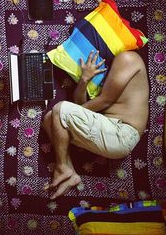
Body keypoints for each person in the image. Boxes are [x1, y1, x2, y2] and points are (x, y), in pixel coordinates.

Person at [42, 50, 149, 200]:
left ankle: (61, 167)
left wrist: (63, 112)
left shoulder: (128, 58)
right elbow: (82, 107)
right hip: (106, 129)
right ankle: (70, 172)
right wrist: (84, 80)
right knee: (50, 118)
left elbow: (105, 101)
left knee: (60, 110)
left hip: (122, 133)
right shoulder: (107, 69)